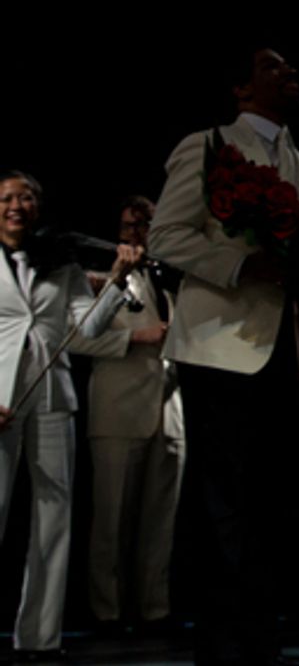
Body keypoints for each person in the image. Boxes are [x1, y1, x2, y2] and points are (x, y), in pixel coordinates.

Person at [147, 47, 299, 665]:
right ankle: (218, 638)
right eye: (275, 66)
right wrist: (243, 262)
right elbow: (165, 237)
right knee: (221, 497)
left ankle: (259, 632)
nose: (290, 72)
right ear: (242, 88)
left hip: (281, 347)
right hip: (218, 343)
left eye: (291, 66)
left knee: (271, 496)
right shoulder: (209, 145)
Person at [0, 171, 142, 660]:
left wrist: (118, 280)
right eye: (7, 197)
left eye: (27, 197)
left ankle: (39, 639)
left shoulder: (60, 262)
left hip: (52, 398)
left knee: (54, 518)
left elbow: (89, 327)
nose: (17, 205)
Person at [84, 195, 185, 635]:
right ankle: (106, 611)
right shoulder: (101, 280)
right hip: (119, 410)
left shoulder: (173, 282)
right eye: (129, 226)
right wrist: (137, 337)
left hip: (170, 411)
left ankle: (154, 609)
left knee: (159, 522)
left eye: (146, 224)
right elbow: (80, 337)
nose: (137, 233)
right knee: (111, 520)